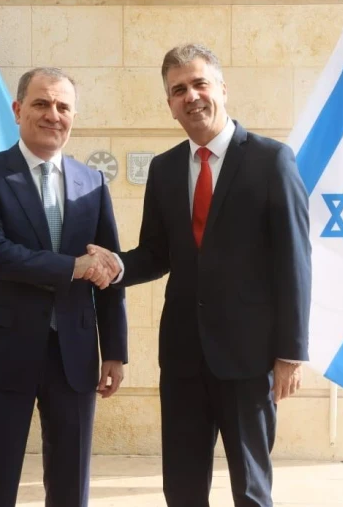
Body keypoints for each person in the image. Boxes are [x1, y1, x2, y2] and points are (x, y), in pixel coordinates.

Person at [89, 44, 312, 507]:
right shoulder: (165, 168)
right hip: (183, 359)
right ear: (169, 104)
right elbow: (156, 253)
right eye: (178, 90)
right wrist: (118, 266)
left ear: (222, 89)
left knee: (251, 489)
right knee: (183, 489)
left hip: (248, 362)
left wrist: (290, 353)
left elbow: (294, 261)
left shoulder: (272, 161)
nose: (191, 96)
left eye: (199, 83)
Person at [0, 67, 127, 507]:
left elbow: (107, 272)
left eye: (63, 106)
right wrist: (73, 266)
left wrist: (114, 350)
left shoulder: (93, 183)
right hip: (1, 354)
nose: (53, 114)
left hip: (73, 355)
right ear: (17, 110)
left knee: (71, 485)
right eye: (41, 103)